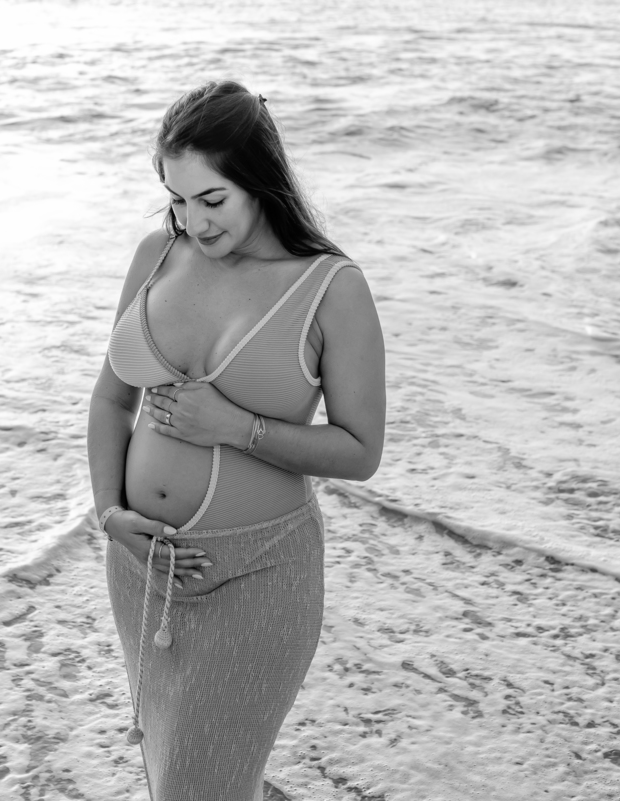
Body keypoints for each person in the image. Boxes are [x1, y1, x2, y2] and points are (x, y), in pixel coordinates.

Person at [87, 79, 386, 801]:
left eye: (213, 199)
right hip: (142, 563)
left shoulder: (329, 288)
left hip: (258, 576)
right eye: (179, 199)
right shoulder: (157, 254)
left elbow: (360, 450)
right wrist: (110, 515)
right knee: (179, 773)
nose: (194, 221)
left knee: (195, 788)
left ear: (260, 180)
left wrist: (237, 427)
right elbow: (109, 398)